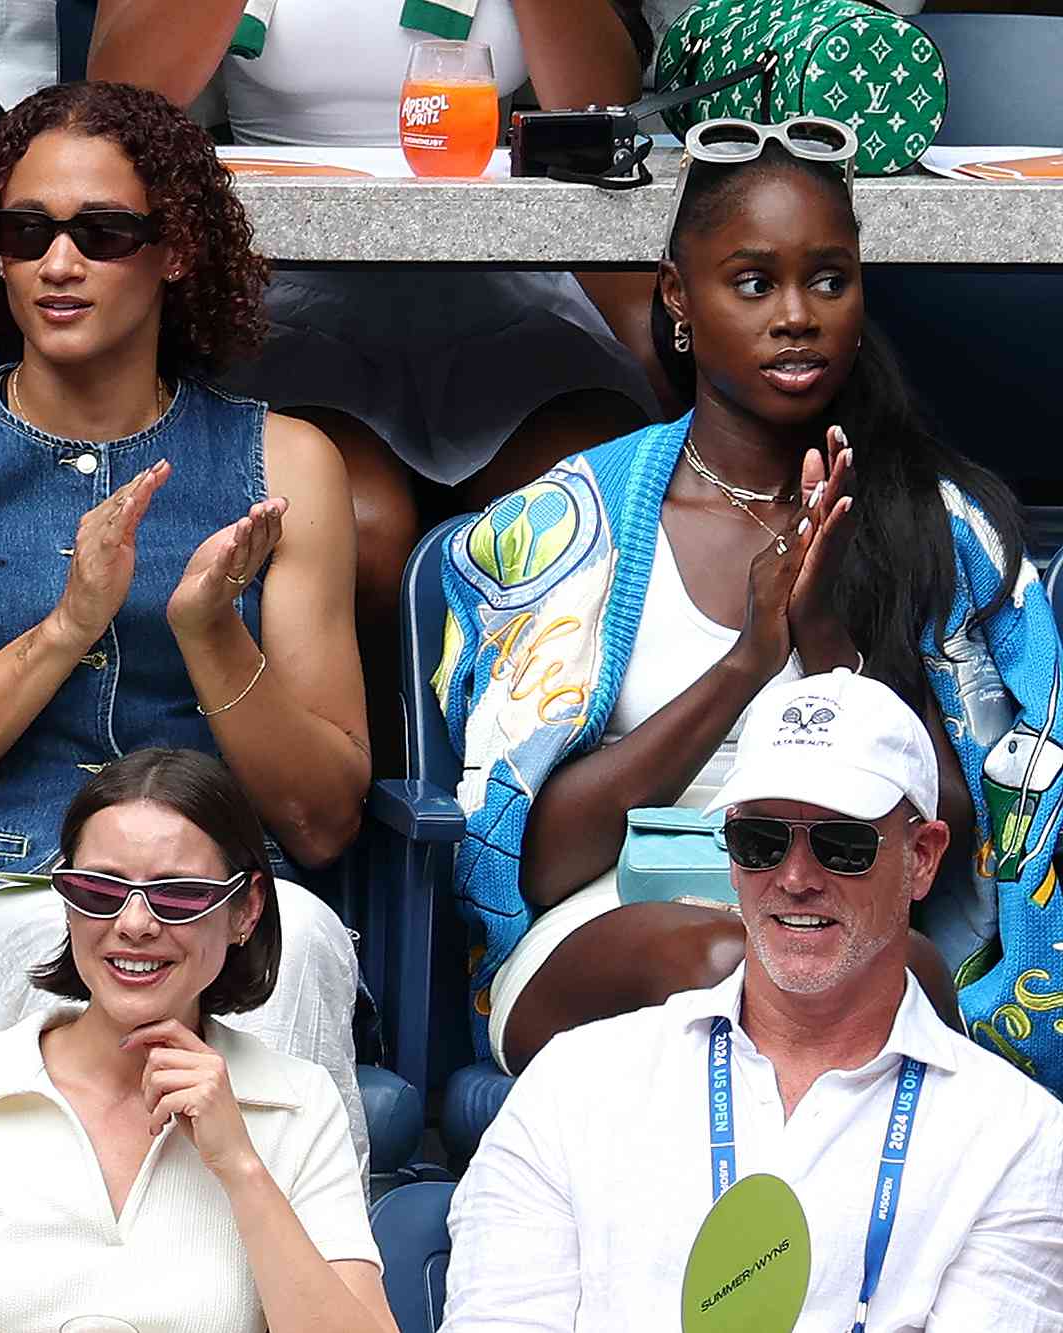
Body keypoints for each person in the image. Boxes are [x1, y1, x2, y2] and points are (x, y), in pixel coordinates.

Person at [435, 119, 1063, 1089]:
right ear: (678, 297)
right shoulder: (573, 524)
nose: (796, 315)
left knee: (902, 983)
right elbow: (538, 861)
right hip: (606, 919)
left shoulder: (930, 523)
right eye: (751, 282)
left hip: (840, 917)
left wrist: (827, 643)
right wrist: (743, 661)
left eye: (826, 279)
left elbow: (955, 826)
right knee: (735, 965)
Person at [0, 79, 374, 1162]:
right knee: (64, 962)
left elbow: (320, 821)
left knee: (292, 938)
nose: (56, 264)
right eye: (24, 233)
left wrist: (212, 636)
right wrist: (64, 628)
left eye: (100, 232)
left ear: (174, 252)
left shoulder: (285, 462)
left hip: (219, 899)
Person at [441, 670, 1063, 1328]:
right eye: (761, 841)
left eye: (841, 844)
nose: (795, 878)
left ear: (924, 856)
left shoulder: (1016, 1140)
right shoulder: (573, 1088)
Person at [88, 0, 663, 710]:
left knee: (581, 495)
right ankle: (369, 790)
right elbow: (112, 102)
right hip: (286, 290)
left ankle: (514, 783)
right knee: (358, 525)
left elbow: (608, 106)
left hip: (499, 283)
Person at [0, 750, 398, 1333]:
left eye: (178, 894)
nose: (133, 924)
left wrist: (239, 1165)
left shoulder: (299, 1103)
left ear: (246, 909)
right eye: (99, 890)